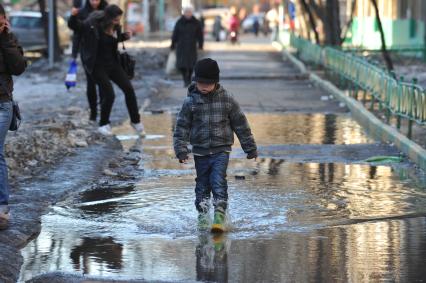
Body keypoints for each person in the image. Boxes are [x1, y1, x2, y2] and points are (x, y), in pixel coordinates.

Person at [173, 58, 258, 232]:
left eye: (208, 83)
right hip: (200, 151)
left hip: (221, 150)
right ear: (195, 81)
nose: (203, 86)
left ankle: (219, 216)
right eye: (200, 82)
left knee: (218, 181)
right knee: (202, 185)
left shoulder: (227, 99)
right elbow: (182, 126)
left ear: (216, 82)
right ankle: (203, 215)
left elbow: (240, 123)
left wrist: (250, 148)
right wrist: (181, 150)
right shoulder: (190, 102)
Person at [69, 4, 145, 136]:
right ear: (108, 18)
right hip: (96, 65)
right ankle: (103, 124)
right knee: (109, 94)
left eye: (119, 19)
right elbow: (76, 27)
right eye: (115, 20)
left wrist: (123, 37)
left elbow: (112, 41)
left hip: (112, 64)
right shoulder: (92, 24)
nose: (118, 22)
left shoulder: (116, 26)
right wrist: (73, 16)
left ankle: (135, 121)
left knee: (129, 89)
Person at [0, 4, 27, 230]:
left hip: (2, 104)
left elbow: (19, 67)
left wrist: (5, 38)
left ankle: (2, 207)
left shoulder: (8, 39)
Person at [69, 0, 108, 123]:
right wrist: (74, 53)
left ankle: (103, 111)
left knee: (103, 84)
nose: (94, 2)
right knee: (91, 83)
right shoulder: (82, 12)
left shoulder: (107, 11)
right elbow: (77, 33)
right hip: (87, 54)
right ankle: (93, 112)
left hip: (104, 54)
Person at [171, 5, 203, 87]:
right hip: (181, 46)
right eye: (186, 12)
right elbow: (175, 33)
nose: (188, 14)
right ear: (184, 13)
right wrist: (172, 44)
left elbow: (200, 34)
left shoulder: (196, 22)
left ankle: (189, 78)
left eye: (189, 12)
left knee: (192, 64)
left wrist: (200, 44)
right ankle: (185, 79)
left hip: (192, 46)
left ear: (192, 13)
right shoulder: (179, 22)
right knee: (181, 64)